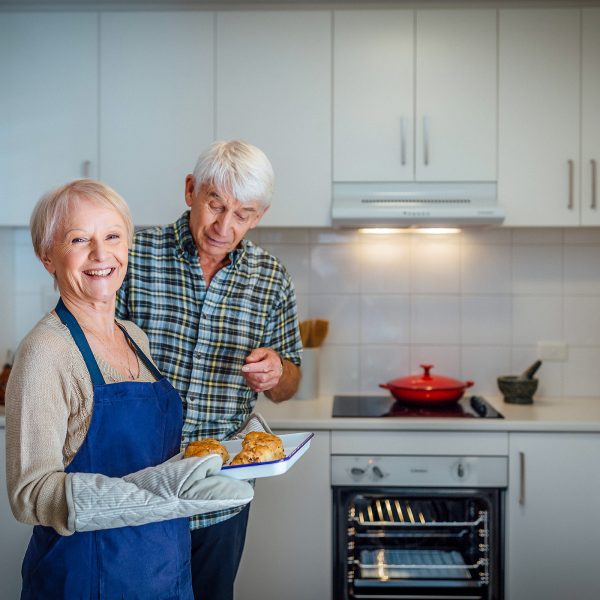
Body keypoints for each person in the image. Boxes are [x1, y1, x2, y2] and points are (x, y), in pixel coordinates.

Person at [5, 179, 254, 600]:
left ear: (128, 246)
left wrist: (198, 473)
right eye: (79, 239)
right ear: (47, 255)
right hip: (88, 577)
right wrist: (152, 497)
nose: (101, 255)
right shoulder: (46, 351)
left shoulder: (134, 336)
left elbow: (151, 458)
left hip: (164, 566)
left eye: (113, 236)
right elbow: (30, 494)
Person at [116, 139, 302, 600]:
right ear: (190, 191)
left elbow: (289, 385)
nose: (224, 226)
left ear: (258, 215)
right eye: (215, 205)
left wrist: (278, 371)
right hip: (139, 486)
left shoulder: (270, 278)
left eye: (243, 214)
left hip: (221, 496)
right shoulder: (133, 256)